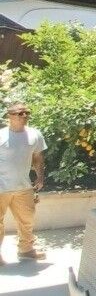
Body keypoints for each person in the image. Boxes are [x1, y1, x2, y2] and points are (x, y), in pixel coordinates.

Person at [0, 101, 47, 263]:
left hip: (23, 186)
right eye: (20, 113)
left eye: (27, 112)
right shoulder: (1, 135)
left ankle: (26, 249)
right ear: (9, 116)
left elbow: (38, 158)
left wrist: (40, 176)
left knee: (27, 219)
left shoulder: (35, 134)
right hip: (1, 187)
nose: (25, 116)